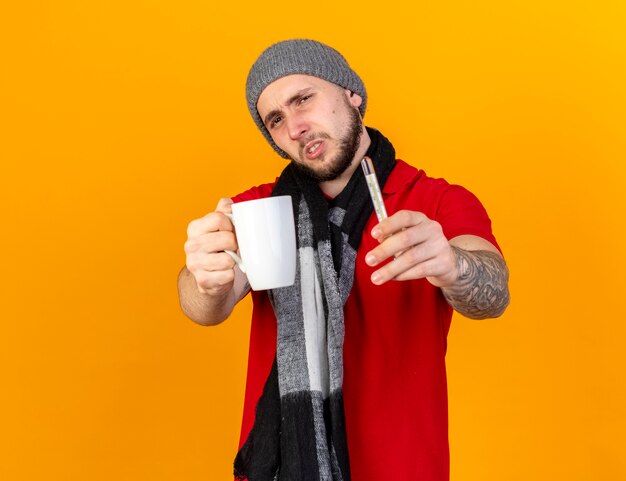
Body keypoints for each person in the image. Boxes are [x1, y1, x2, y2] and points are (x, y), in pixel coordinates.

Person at [178, 39, 510, 481]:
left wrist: (453, 264)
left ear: (351, 94)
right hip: (285, 465)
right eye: (275, 119)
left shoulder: (435, 201)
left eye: (303, 99)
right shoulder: (258, 211)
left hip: (404, 464)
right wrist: (205, 280)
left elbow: (494, 293)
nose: (295, 126)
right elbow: (205, 308)